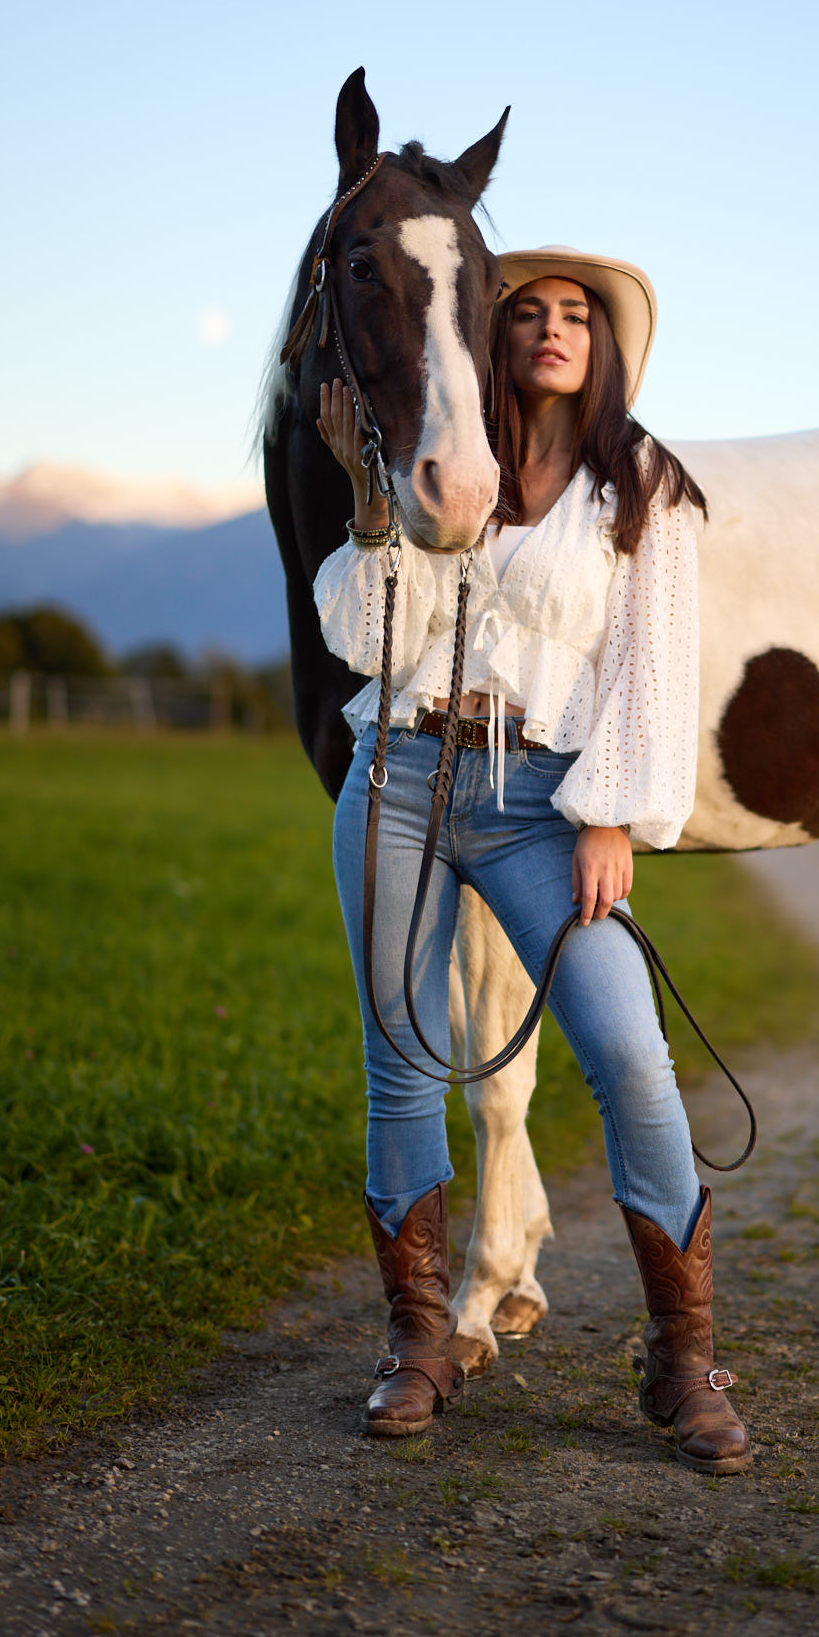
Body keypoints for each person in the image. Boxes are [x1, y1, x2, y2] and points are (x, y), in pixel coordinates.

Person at [311, 246, 749, 1475]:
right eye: (528, 313)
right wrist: (368, 501)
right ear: (493, 338)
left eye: (577, 316)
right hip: (394, 772)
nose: (552, 329)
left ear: (605, 347)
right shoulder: (446, 459)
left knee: (629, 1054)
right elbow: (361, 633)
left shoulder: (640, 481)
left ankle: (686, 1360)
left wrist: (612, 816)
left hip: (540, 799)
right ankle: (418, 1341)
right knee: (399, 1054)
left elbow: (651, 665)